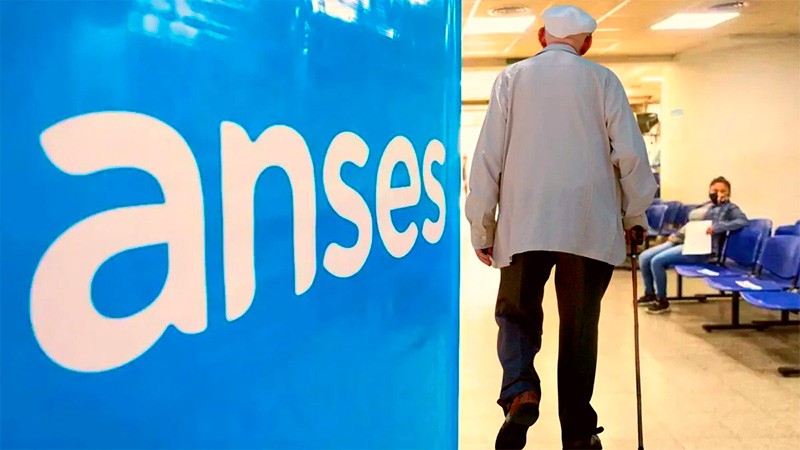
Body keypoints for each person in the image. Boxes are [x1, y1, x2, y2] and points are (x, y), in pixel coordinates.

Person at [464, 5, 657, 450]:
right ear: (586, 44)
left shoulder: (511, 79)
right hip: (588, 226)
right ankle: (578, 431)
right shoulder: (602, 80)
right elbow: (631, 157)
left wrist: (482, 227)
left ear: (541, 37)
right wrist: (635, 215)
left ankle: (520, 391)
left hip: (523, 224)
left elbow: (488, 159)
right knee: (579, 327)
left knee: (516, 313)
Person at [638, 176, 749, 314]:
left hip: (700, 248)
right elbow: (691, 223)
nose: (718, 193)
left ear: (728, 194)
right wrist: (677, 234)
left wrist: (717, 227)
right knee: (644, 257)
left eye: (723, 191)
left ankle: (662, 300)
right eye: (715, 190)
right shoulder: (705, 205)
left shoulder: (729, 208)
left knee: (657, 261)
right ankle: (649, 293)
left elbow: (743, 221)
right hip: (682, 240)